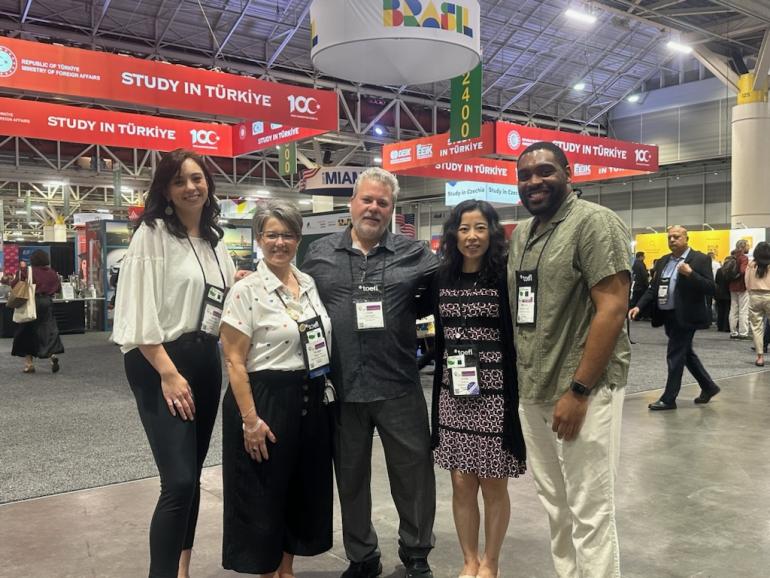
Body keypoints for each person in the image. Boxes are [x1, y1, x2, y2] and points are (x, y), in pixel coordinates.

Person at [302, 167, 439, 578]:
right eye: (367, 199)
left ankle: (416, 553)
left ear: (392, 210)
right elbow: (295, 297)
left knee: (413, 473)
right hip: (341, 388)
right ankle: (363, 556)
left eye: (383, 202)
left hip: (399, 385)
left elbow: (446, 294)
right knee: (350, 477)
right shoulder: (319, 255)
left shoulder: (416, 255)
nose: (374, 208)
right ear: (352, 204)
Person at [112, 149, 237, 578]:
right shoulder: (151, 235)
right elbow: (136, 309)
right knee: (179, 480)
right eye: (180, 180)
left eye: (197, 178)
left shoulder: (217, 244)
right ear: (166, 189)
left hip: (206, 361)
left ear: (209, 185)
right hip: (160, 362)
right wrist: (167, 372)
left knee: (193, 476)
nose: (191, 187)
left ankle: (182, 570)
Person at [508, 142, 630, 578]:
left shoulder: (595, 223)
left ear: (568, 172)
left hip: (582, 390)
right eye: (525, 175)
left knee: (590, 508)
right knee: (556, 506)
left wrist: (578, 391)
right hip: (534, 389)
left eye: (545, 171)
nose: (534, 181)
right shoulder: (523, 233)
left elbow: (612, 308)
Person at [220, 200, 334, 577]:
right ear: (259, 238)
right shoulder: (246, 291)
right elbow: (235, 361)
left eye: (287, 235)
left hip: (310, 396)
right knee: (262, 496)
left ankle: (286, 570)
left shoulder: (309, 283)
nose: (280, 243)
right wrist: (250, 421)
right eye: (272, 234)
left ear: (298, 239)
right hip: (264, 399)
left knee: (298, 489)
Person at [431, 200, 526, 578]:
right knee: (460, 482)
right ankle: (469, 560)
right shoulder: (441, 278)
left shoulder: (504, 276)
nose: (472, 237)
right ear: (453, 234)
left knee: (492, 481)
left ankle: (491, 561)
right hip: (452, 391)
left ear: (493, 232)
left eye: (480, 228)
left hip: (495, 393)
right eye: (464, 228)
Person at [630, 225, 720, 410]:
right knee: (685, 354)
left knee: (675, 355)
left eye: (676, 237)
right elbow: (653, 289)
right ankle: (709, 386)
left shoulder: (700, 259)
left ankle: (669, 398)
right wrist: (639, 306)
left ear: (686, 239)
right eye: (669, 237)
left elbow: (711, 288)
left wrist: (690, 274)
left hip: (687, 315)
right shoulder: (663, 261)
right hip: (667, 314)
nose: (672, 240)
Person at [11, 251, 64, 373]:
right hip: (47, 302)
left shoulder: (27, 271)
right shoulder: (52, 273)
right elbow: (58, 288)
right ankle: (52, 356)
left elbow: (14, 285)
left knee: (26, 332)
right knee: (47, 330)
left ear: (32, 260)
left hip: (31, 302)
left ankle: (29, 364)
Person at [745, 241, 770, 367]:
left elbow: (747, 283)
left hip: (754, 296)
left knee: (756, 328)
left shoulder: (751, 265)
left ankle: (760, 357)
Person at [729, 239, 750, 339]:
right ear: (743, 247)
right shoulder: (743, 258)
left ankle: (733, 332)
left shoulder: (731, 257)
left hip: (732, 286)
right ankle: (743, 333)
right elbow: (743, 271)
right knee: (743, 310)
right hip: (741, 286)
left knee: (733, 309)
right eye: (747, 246)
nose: (748, 248)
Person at [714, 258, 732, 332]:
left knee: (720, 311)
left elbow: (716, 281)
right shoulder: (729, 272)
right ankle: (726, 327)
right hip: (727, 294)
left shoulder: (719, 270)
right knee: (727, 310)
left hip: (719, 293)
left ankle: (720, 326)